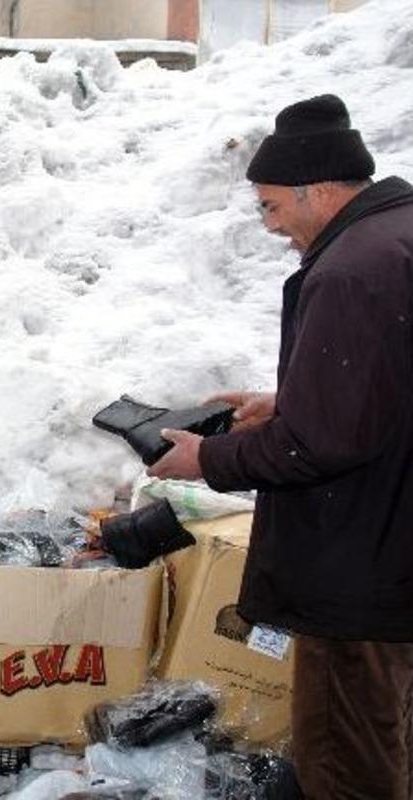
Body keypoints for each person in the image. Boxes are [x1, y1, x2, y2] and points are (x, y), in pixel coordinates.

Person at [149, 95, 413, 799]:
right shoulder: (397, 238)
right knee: (387, 736)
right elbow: (383, 392)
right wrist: (291, 398)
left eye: (270, 207)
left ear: (317, 189)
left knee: (345, 757)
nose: (270, 227)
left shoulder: (352, 269)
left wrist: (206, 461)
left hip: (358, 567)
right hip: (394, 549)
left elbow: (319, 444)